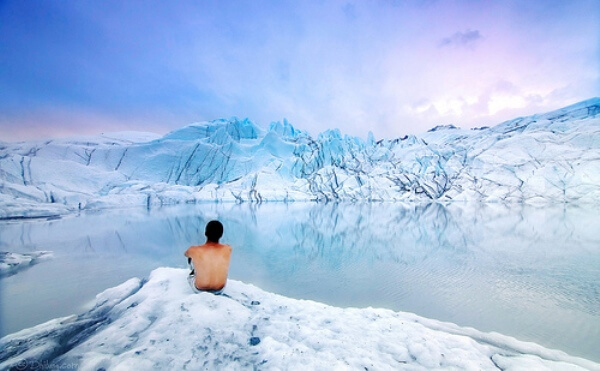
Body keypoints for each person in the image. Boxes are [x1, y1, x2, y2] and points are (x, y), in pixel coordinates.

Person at [184, 220, 232, 294]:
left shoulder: (194, 249)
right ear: (221, 234)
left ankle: (196, 274)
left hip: (199, 289)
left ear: (205, 233)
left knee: (191, 257)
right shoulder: (227, 249)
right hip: (219, 289)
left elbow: (186, 254)